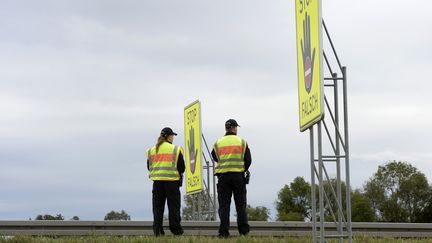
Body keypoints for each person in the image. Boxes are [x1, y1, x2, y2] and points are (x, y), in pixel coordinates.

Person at [211, 119, 252, 237]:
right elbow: (248, 160)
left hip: (223, 177)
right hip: (238, 177)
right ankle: (243, 232)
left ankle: (223, 233)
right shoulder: (242, 142)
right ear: (234, 128)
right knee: (241, 206)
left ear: (226, 129)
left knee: (224, 206)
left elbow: (215, 156)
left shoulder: (218, 142)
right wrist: (241, 169)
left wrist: (225, 162)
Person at [146, 127, 185, 236]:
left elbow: (149, 167)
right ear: (168, 136)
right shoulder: (175, 149)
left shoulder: (152, 150)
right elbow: (182, 167)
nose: (173, 138)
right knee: (174, 208)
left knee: (157, 208)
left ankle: (158, 231)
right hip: (172, 182)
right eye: (172, 135)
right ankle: (176, 231)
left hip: (157, 183)